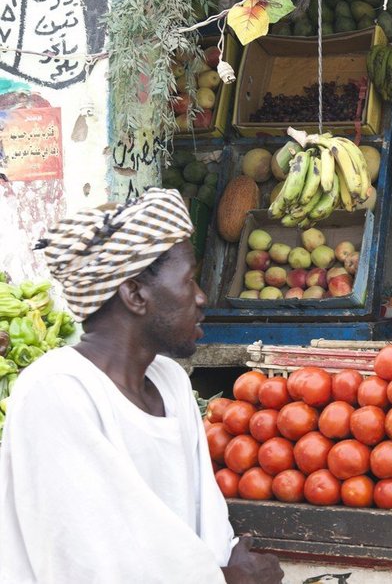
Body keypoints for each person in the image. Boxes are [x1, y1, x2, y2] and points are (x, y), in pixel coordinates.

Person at [0, 188, 283, 584]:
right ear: (134, 293)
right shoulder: (56, 391)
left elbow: (205, 523)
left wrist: (226, 566)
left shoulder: (169, 382)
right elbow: (88, 564)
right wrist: (230, 579)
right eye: (189, 280)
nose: (201, 298)